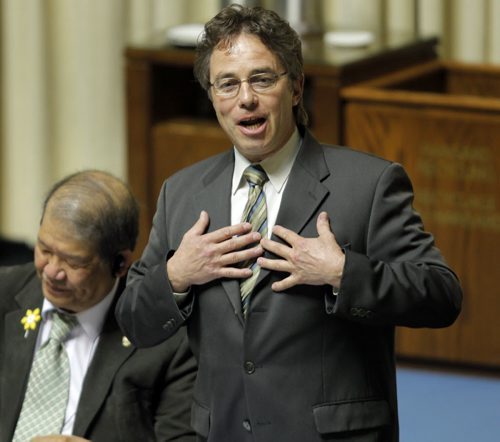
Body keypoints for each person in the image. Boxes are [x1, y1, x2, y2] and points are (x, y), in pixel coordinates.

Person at [116, 5, 462, 442]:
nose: (246, 98)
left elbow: (442, 295)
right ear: (212, 97)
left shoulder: (368, 184)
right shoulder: (182, 194)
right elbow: (133, 321)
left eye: (262, 79)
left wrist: (342, 273)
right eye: (227, 84)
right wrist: (176, 276)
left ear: (296, 87)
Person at [0, 170, 197, 442]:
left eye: (74, 262)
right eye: (44, 250)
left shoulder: (167, 339)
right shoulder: (4, 293)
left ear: (120, 263)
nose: (52, 271)